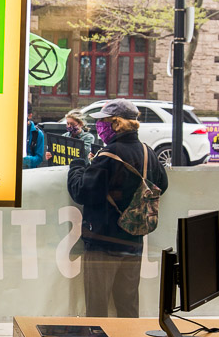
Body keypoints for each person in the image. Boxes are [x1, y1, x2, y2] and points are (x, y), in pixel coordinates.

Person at [67, 99, 168, 318]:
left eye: (102, 122)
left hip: (103, 242)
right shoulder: (147, 151)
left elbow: (82, 192)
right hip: (133, 240)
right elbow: (163, 184)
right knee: (128, 305)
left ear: (116, 124)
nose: (98, 127)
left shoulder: (108, 156)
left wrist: (77, 166)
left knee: (98, 306)